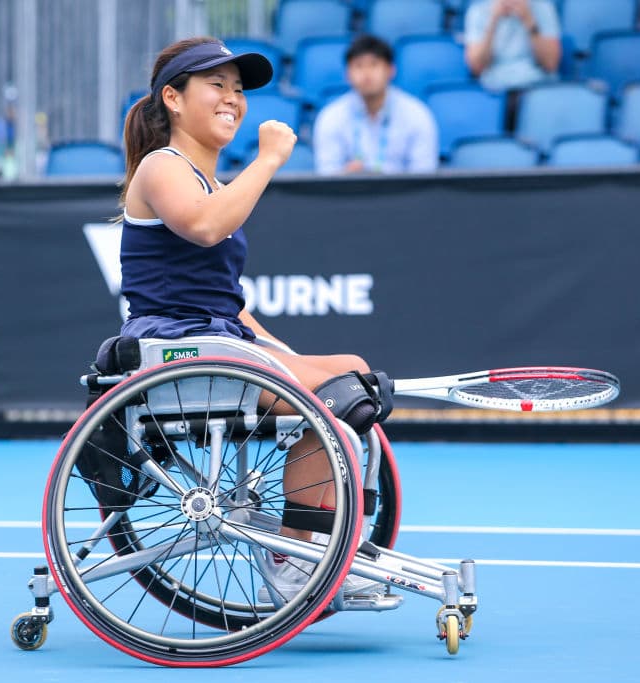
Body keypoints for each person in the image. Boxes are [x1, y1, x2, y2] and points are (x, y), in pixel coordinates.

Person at [119, 36, 391, 601]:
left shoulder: (214, 182)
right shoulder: (160, 167)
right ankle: (295, 565)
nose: (232, 99)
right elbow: (203, 227)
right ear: (172, 98)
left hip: (217, 340)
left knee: (353, 374)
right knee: (332, 405)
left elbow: (225, 298)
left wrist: (278, 350)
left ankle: (334, 548)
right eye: (215, 85)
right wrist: (268, 159)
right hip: (172, 348)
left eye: (237, 90)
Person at [313, 34, 438, 175]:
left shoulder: (417, 114)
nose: (367, 74)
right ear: (347, 74)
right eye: (359, 66)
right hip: (348, 195)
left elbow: (424, 176)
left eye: (374, 65)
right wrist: (345, 176)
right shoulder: (331, 117)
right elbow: (326, 177)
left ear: (391, 70)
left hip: (404, 195)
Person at [464, 0, 561, 94]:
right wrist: (493, 21)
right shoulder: (477, 11)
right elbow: (476, 68)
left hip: (537, 85)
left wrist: (528, 19)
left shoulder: (544, 8)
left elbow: (550, 64)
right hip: (494, 88)